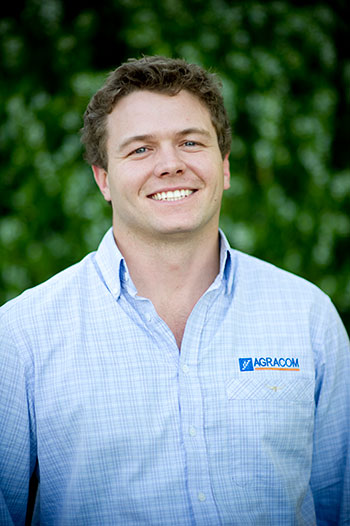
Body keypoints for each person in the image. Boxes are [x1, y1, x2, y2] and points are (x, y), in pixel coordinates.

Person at [0, 56, 349, 526]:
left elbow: (338, 504)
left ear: (224, 167)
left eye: (190, 142)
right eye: (140, 149)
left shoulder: (308, 316)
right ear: (103, 178)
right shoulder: (22, 335)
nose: (170, 165)